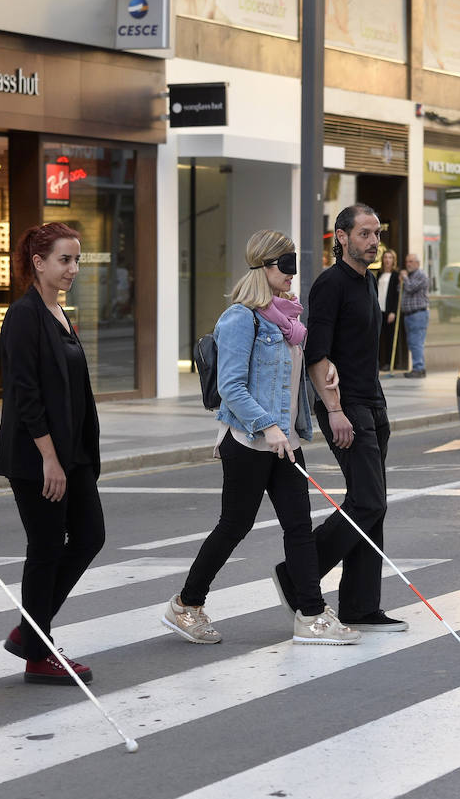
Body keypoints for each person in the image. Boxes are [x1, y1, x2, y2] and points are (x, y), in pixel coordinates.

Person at [163, 231, 358, 647]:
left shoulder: (289, 319)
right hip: (249, 442)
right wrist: (268, 426)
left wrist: (323, 373)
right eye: (285, 265)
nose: (292, 273)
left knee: (299, 528)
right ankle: (186, 604)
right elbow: (232, 387)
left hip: (286, 442)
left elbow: (284, 381)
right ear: (265, 267)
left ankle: (310, 614)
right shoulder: (240, 318)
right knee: (234, 526)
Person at [272, 203, 406, 632]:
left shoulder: (368, 282)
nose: (374, 241)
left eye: (377, 233)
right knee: (368, 500)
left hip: (373, 402)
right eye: (365, 233)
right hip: (347, 407)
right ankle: (298, 573)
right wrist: (334, 410)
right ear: (341, 237)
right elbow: (317, 353)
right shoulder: (331, 284)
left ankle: (361, 604)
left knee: (374, 506)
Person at [0, 222, 106, 684]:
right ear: (38, 263)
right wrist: (49, 458)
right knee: (44, 548)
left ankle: (28, 633)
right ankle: (38, 653)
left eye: (76, 260)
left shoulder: (58, 311)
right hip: (38, 457)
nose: (73, 269)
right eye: (65, 259)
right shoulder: (24, 315)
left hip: (72, 453)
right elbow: (25, 392)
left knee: (89, 537)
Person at [400, 253, 429, 379]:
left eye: (411, 261)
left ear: (417, 263)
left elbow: (411, 288)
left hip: (418, 314)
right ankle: (420, 368)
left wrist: (405, 278)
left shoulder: (421, 275)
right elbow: (401, 290)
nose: (408, 264)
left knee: (416, 342)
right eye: (407, 261)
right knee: (413, 343)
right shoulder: (410, 276)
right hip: (409, 315)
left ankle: (418, 368)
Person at [376, 249, 406, 372]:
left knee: (390, 338)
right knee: (378, 337)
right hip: (379, 310)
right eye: (386, 257)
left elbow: (396, 295)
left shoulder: (395, 275)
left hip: (389, 312)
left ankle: (390, 362)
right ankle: (379, 362)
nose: (387, 260)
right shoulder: (380, 274)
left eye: (390, 258)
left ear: (393, 260)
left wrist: (393, 311)